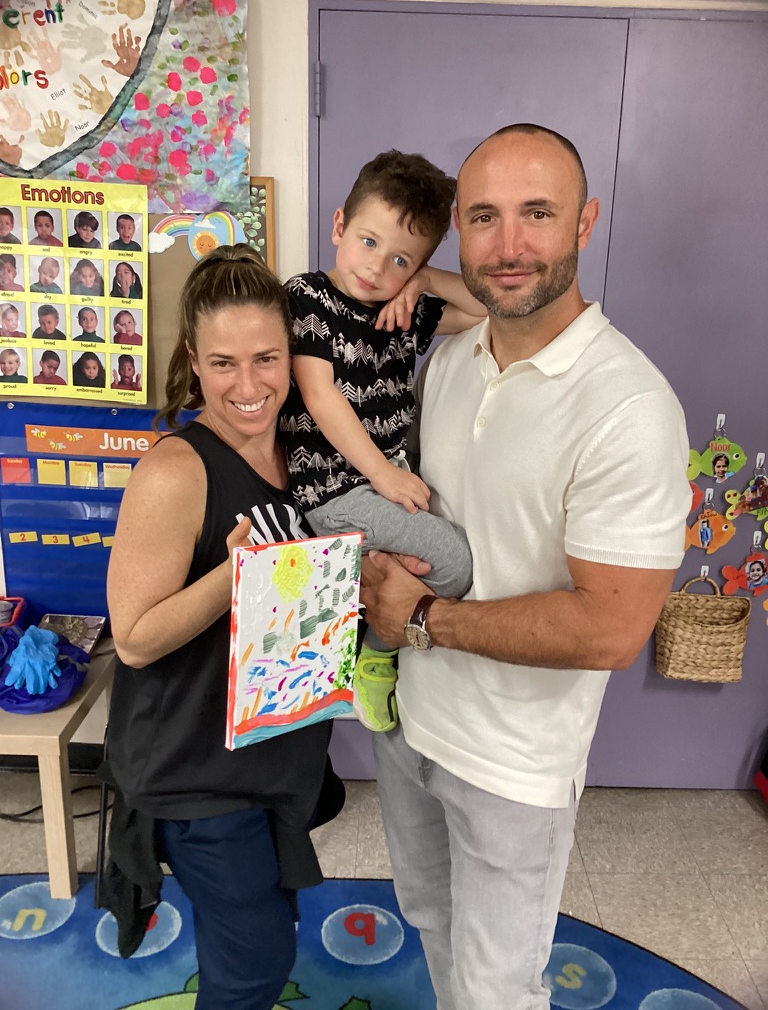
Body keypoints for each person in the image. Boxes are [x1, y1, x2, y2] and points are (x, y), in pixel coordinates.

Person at [359, 125, 690, 1010]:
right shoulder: (449, 363)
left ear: (585, 222)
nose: (508, 245)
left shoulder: (629, 407)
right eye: (484, 218)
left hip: (514, 765)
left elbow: (611, 628)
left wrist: (422, 621)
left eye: (536, 214)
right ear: (458, 234)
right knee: (431, 925)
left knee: (497, 988)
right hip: (411, 725)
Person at [104, 244, 343, 1009]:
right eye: (223, 363)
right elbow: (135, 637)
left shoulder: (304, 450)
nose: (249, 386)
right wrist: (233, 574)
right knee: (256, 965)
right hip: (195, 770)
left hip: (272, 756)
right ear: (193, 361)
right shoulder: (175, 471)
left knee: (257, 933)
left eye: (266, 358)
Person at [280, 150, 485, 732]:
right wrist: (383, 475)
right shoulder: (308, 296)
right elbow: (319, 394)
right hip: (335, 491)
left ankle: (374, 601)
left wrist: (423, 282)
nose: (377, 268)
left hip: (377, 485)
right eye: (368, 242)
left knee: (437, 557)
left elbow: (485, 310)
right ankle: (376, 650)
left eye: (400, 259)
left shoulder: (404, 311)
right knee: (456, 562)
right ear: (339, 226)